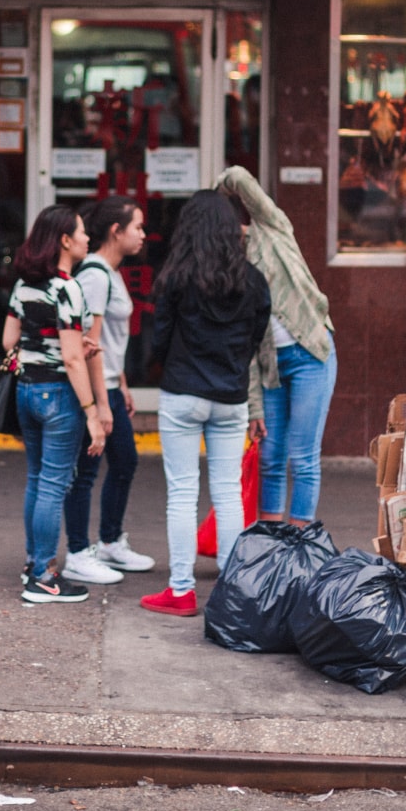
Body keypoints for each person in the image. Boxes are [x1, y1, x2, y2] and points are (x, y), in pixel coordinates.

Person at [141, 191, 272, 617]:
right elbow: (255, 339)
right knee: (229, 493)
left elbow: (158, 338)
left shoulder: (176, 277)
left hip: (182, 392)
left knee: (181, 493)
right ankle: (232, 594)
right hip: (230, 398)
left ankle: (181, 591)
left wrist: (168, 363)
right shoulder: (253, 281)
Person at [219, 165, 337, 526]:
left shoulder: (273, 229)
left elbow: (240, 176)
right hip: (270, 371)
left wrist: (217, 193)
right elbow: (246, 350)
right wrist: (253, 407)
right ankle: (270, 545)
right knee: (270, 455)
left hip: (311, 356)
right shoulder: (227, 271)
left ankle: (299, 544)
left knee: (303, 457)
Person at [3, 204, 108, 604]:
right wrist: (92, 412)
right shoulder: (68, 287)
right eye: (82, 233)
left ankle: (34, 564)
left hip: (26, 390)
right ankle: (45, 576)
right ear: (64, 240)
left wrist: (59, 342)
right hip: (59, 395)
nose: (86, 239)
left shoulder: (24, 285)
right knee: (53, 484)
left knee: (37, 479)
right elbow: (71, 358)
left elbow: (9, 342)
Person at [59, 196, 156, 586]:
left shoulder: (111, 273)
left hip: (113, 385)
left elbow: (110, 343)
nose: (143, 235)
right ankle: (80, 553)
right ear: (116, 232)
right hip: (99, 389)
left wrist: (124, 385)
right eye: (137, 227)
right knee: (86, 471)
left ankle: (111, 541)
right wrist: (100, 404)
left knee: (124, 462)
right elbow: (89, 345)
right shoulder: (96, 276)